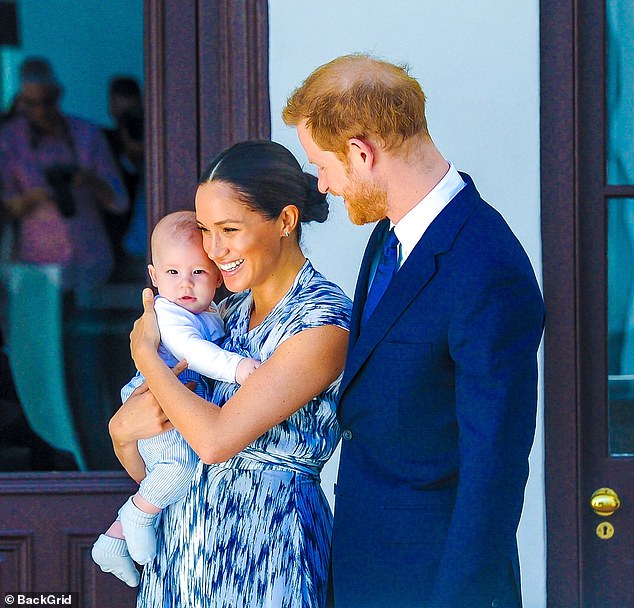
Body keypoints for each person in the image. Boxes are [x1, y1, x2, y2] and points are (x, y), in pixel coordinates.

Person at [282, 53, 545, 608]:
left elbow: (493, 469)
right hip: (364, 571)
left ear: (361, 152)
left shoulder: (487, 265)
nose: (323, 186)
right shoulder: (386, 239)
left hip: (434, 585)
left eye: (321, 165)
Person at [108, 140, 352, 607]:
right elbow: (161, 467)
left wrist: (144, 354)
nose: (213, 249)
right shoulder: (226, 313)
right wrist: (121, 433)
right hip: (183, 554)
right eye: (204, 229)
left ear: (285, 221)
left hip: (268, 552)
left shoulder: (322, 321)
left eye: (229, 229)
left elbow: (215, 441)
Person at [91, 210, 260, 587]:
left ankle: (114, 539)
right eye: (172, 273)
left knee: (173, 467)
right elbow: (193, 352)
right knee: (178, 467)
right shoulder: (168, 314)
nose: (185, 283)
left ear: (218, 275)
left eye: (198, 273)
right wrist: (236, 368)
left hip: (174, 400)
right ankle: (136, 514)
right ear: (153, 276)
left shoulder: (212, 311)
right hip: (154, 397)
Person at [0, 57, 128, 291]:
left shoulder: (87, 135)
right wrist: (33, 197)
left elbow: (120, 201)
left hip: (90, 264)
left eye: (47, 102)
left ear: (59, 95)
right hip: (35, 270)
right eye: (31, 103)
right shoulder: (9, 141)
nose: (40, 111)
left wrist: (88, 179)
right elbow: (5, 208)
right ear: (21, 101)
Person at [102, 76, 146, 279]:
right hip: (115, 242)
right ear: (111, 110)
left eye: (133, 116)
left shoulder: (159, 137)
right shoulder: (103, 144)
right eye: (122, 118)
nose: (128, 123)